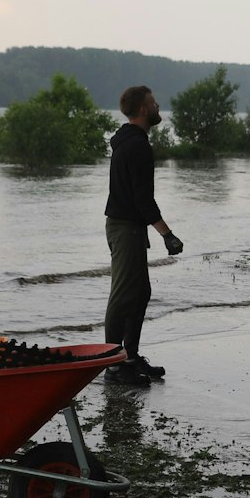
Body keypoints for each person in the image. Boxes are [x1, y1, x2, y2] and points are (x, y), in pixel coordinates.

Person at [104, 85, 182, 383]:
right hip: (124, 227)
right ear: (142, 110)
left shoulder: (131, 141)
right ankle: (113, 366)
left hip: (128, 226)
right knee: (123, 295)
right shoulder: (137, 146)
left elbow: (140, 200)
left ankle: (131, 357)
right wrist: (167, 234)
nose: (157, 105)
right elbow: (143, 200)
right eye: (153, 102)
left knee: (140, 293)